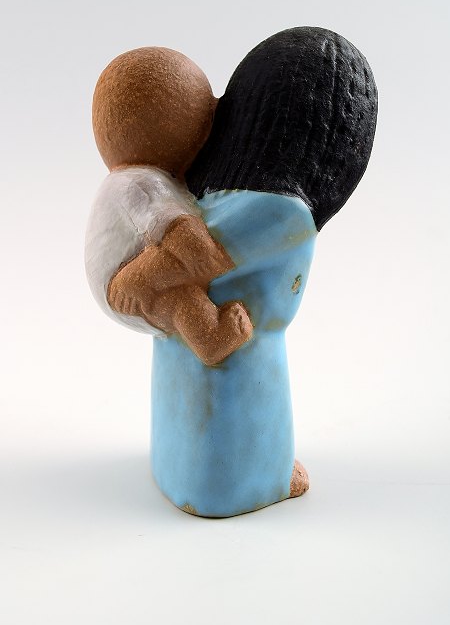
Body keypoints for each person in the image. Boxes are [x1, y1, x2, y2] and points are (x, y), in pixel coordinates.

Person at [151, 27, 378, 517]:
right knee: (238, 402)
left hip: (194, 341)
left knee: (194, 388)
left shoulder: (202, 196)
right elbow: (200, 258)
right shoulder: (274, 208)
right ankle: (238, 484)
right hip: (239, 351)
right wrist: (132, 280)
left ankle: (215, 471)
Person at [85, 47, 253, 366]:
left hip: (134, 285)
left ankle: (209, 334)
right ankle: (211, 325)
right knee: (188, 259)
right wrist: (207, 253)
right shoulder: (139, 182)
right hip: (124, 283)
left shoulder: (135, 178)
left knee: (179, 297)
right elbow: (176, 230)